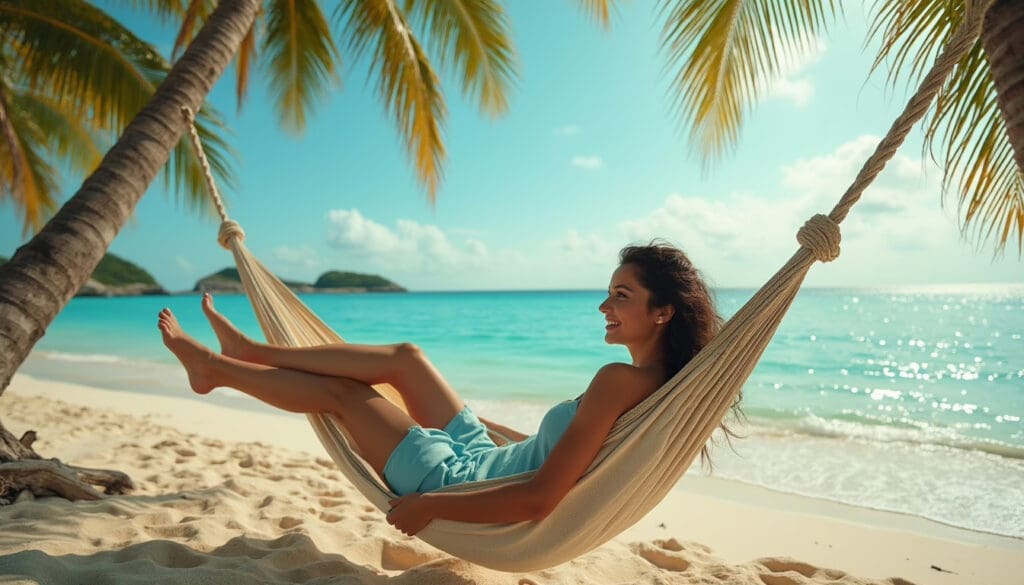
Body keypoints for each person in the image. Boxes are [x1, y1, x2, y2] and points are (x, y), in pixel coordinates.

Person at [157, 242, 723, 537]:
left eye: (621, 295)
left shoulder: (618, 380)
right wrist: (499, 434)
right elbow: (562, 454)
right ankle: (255, 352)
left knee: (346, 395)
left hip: (456, 481)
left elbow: (539, 499)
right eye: (609, 292)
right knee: (407, 359)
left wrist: (430, 504)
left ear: (663, 312)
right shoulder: (649, 383)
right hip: (487, 457)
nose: (603, 306)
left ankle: (215, 370)